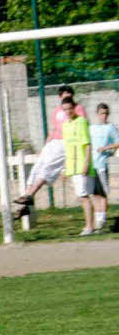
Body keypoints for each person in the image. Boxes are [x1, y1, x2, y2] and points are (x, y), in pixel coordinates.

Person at [14, 85, 88, 213]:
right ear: (60, 97)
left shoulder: (78, 109)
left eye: (69, 96)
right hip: (54, 142)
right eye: (64, 96)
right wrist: (45, 146)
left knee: (48, 168)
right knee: (37, 167)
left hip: (65, 142)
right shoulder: (58, 111)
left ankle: (30, 195)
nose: (67, 99)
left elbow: (81, 127)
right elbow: (54, 130)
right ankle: (26, 202)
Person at [60, 97, 101, 236]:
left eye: (70, 108)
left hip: (82, 166)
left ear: (74, 108)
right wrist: (65, 168)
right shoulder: (65, 125)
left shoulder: (81, 122)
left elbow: (87, 144)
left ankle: (89, 226)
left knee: (84, 197)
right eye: (65, 109)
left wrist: (86, 163)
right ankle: (93, 226)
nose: (68, 111)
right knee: (83, 196)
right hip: (72, 166)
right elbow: (67, 147)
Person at [90, 103, 118, 230]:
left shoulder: (110, 127)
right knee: (94, 194)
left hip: (102, 164)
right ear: (97, 114)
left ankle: (102, 220)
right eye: (102, 113)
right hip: (92, 165)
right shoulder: (92, 128)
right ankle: (97, 220)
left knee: (103, 194)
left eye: (106, 113)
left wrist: (106, 148)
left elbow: (117, 142)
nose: (104, 116)